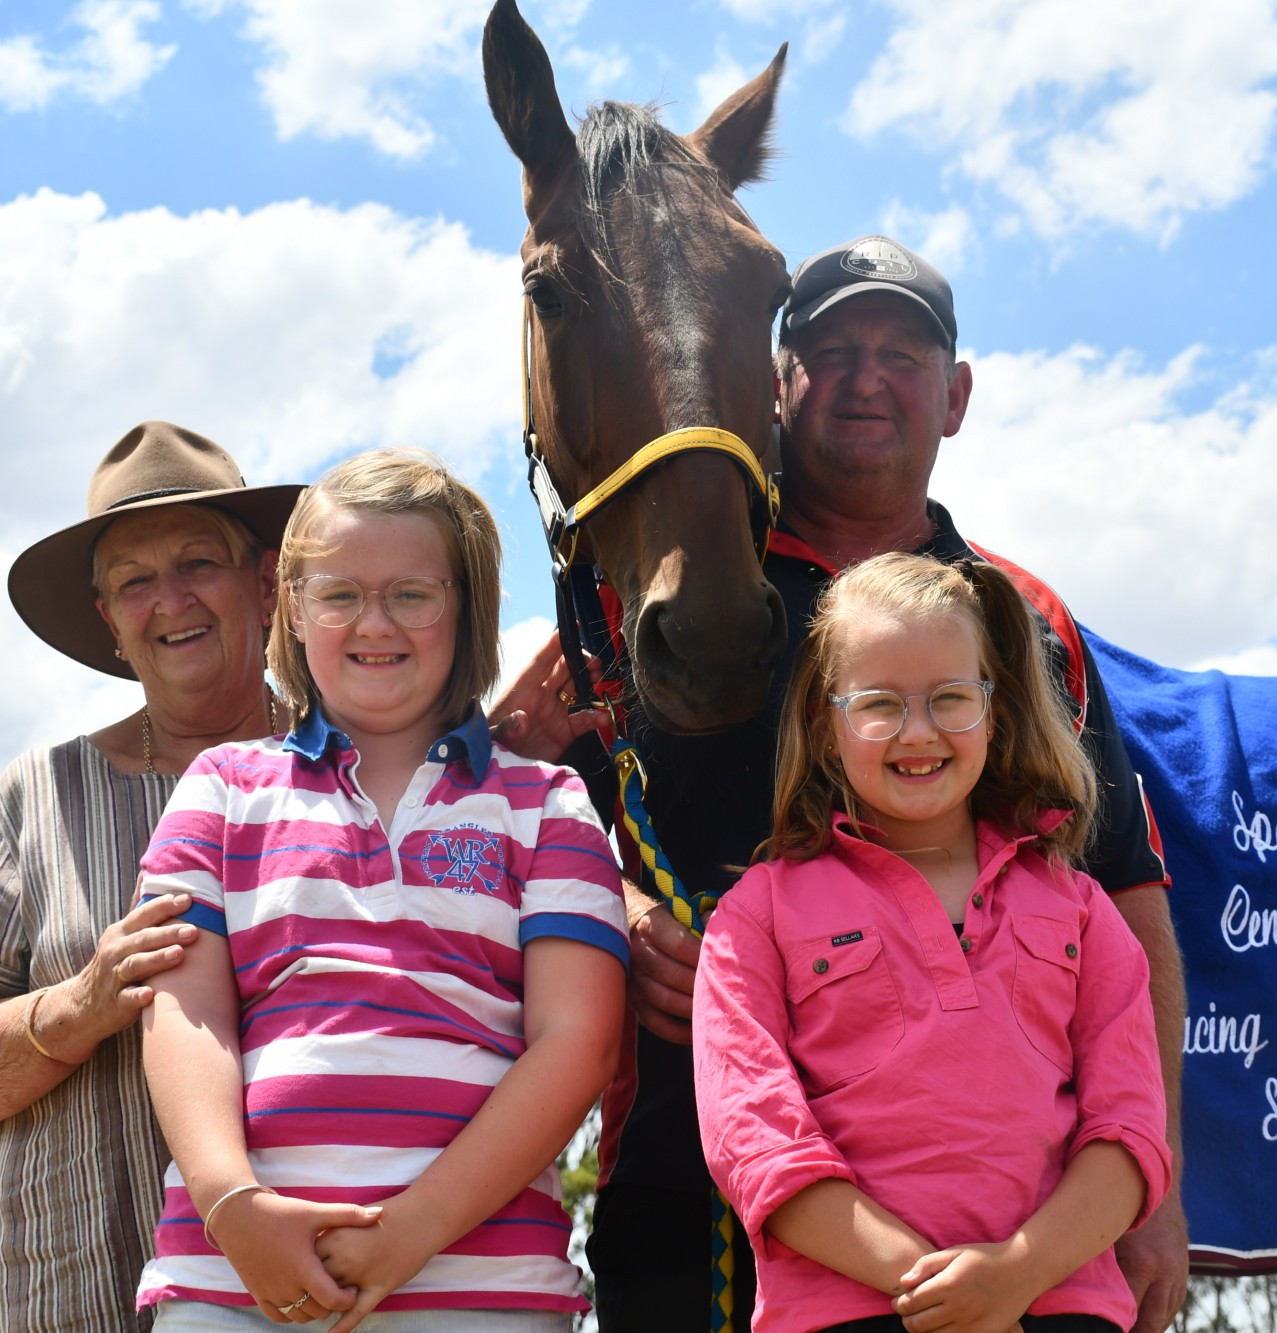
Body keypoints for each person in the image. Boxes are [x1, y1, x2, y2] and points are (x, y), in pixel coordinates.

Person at [494, 235, 1189, 1333]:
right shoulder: (654, 588)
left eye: (901, 352)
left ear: (954, 396)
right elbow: (526, 821)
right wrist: (621, 914)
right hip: (683, 1156)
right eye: (830, 350)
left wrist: (1156, 1196)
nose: (866, 377)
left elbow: (1122, 896)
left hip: (1014, 1228)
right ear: (775, 387)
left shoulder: (1023, 620)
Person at [132, 448, 628, 1331]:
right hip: (231, 1285)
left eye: (412, 593)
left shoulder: (548, 803)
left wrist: (413, 1228)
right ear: (290, 604)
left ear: (465, 606)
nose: (375, 621)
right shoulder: (220, 787)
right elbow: (185, 1014)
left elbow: (576, 1041)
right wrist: (231, 1203)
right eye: (339, 593)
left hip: (484, 1285)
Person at [695, 553, 1172, 1333]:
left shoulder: (1084, 910)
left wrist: (1014, 1273)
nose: (919, 732)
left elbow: (1128, 1133)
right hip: (852, 1309)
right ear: (825, 723)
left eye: (950, 697)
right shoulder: (755, 917)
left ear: (994, 708)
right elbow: (756, 1142)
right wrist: (944, 1293)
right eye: (878, 705)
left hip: (1056, 1305)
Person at [0, 422, 303, 1332]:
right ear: (110, 622)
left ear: (267, 583)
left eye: (199, 561)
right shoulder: (38, 796)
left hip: (313, 1295)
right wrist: (81, 1002)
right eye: (134, 581)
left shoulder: (361, 770)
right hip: (58, 1298)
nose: (170, 599)